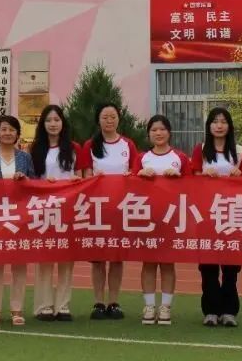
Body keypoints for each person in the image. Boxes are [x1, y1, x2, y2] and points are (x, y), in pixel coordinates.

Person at [192, 107, 242, 328]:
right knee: (208, 265)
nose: (219, 125)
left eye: (223, 121)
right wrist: (202, 174)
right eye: (215, 121)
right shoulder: (200, 150)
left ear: (229, 126)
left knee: (230, 267)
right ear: (209, 126)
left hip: (232, 215)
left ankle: (229, 311)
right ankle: (210, 310)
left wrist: (241, 175)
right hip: (206, 215)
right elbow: (191, 177)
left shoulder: (240, 152)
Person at [79, 102, 138, 320]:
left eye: (113, 116)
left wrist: (129, 178)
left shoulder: (128, 144)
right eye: (105, 117)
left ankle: (113, 302)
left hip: (121, 207)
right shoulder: (90, 145)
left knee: (116, 256)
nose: (109, 120)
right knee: (98, 258)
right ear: (98, 120)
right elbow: (85, 175)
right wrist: (93, 179)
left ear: (119, 118)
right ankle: (98, 302)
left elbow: (135, 172)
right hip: (97, 208)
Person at [132, 114, 192, 326]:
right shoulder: (142, 158)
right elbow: (129, 185)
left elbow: (193, 186)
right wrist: (140, 175)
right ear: (148, 134)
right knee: (148, 263)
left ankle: (165, 307)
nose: (158, 133)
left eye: (162, 129)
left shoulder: (180, 158)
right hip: (146, 218)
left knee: (167, 263)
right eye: (154, 130)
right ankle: (149, 306)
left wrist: (178, 177)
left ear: (169, 132)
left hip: (171, 217)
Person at [29, 104, 87, 321]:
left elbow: (82, 178)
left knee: (65, 258)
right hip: (44, 209)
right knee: (44, 258)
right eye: (48, 120)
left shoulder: (73, 148)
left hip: (68, 208)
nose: (53, 124)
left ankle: (63, 305)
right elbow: (32, 180)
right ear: (42, 124)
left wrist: (75, 181)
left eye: (57, 119)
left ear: (63, 123)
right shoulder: (35, 149)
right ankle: (44, 305)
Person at [0, 115, 36, 327]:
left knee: (19, 264)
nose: (8, 133)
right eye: (3, 129)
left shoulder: (25, 158)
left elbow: (34, 185)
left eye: (12, 129)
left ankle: (17, 309)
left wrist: (25, 180)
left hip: (19, 217)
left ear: (18, 133)